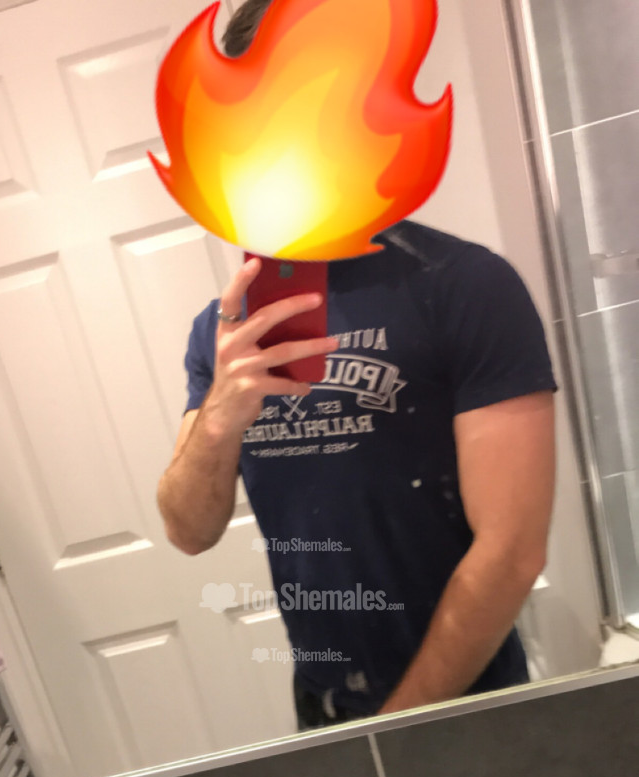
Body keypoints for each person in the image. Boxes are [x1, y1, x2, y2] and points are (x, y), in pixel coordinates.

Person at [157, 0, 556, 730]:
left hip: (463, 709)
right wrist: (217, 420)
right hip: (323, 706)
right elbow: (188, 531)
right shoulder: (223, 330)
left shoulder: (464, 286)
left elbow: (512, 551)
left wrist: (395, 730)